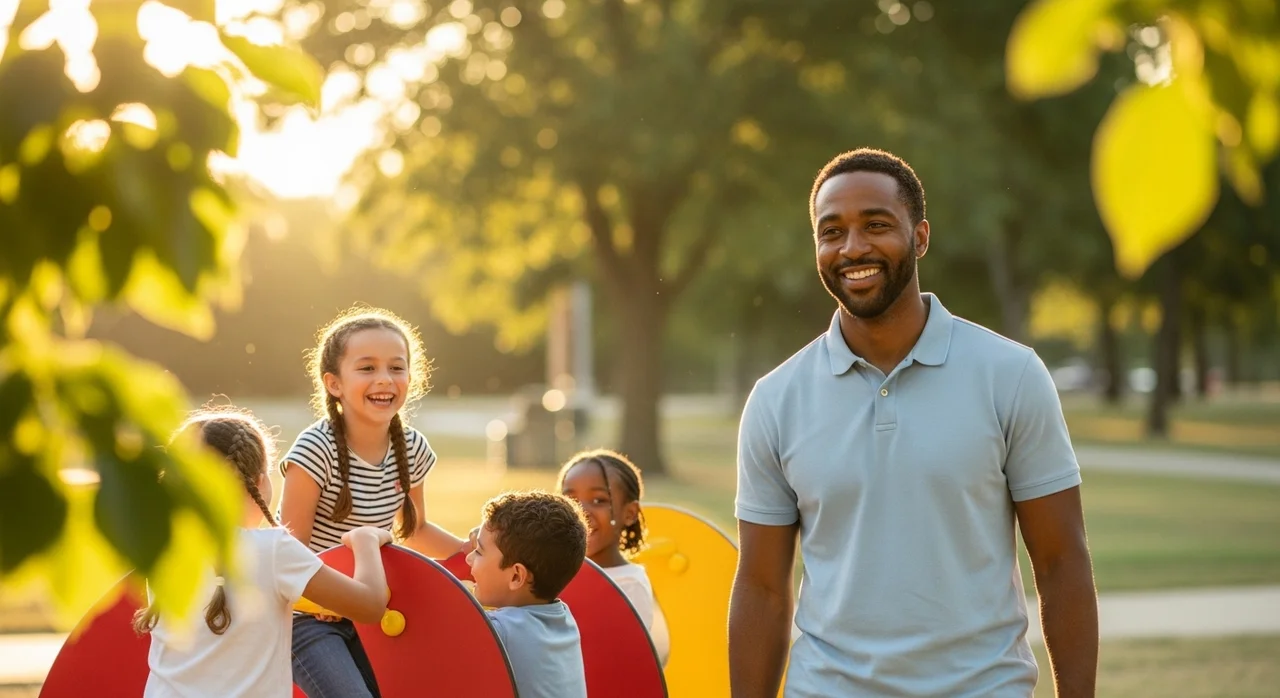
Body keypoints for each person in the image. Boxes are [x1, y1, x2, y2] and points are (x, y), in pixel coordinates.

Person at [728, 148, 1098, 697]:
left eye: (876, 225)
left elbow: (1062, 561)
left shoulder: (1011, 374)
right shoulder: (775, 398)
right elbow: (761, 589)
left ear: (920, 237)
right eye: (832, 232)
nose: (853, 247)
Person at [136, 407, 394, 698]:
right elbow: (371, 606)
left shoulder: (159, 549)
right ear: (258, 483)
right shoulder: (273, 550)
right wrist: (366, 540)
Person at [278, 305, 467, 698]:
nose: (384, 379)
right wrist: (325, 598)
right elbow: (288, 550)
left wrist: (472, 558)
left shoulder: (411, 448)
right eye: (367, 368)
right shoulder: (315, 449)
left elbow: (415, 529)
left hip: (371, 614)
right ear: (334, 383)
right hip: (309, 617)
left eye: (396, 367)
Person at [466, 491, 589, 698]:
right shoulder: (564, 620)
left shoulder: (501, 630)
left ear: (516, 576)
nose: (469, 559)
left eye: (478, 552)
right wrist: (485, 544)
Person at [557, 449, 670, 665]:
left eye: (599, 500)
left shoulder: (628, 585)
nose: (581, 512)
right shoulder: (553, 572)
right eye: (570, 500)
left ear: (629, 513)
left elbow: (616, 662)